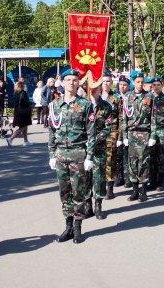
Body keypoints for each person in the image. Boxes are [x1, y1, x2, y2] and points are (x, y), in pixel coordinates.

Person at [47, 69, 96, 244]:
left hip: (78, 154)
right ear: (62, 83)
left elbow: (91, 133)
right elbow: (52, 132)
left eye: (75, 80)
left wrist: (89, 156)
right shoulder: (54, 105)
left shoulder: (85, 105)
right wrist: (52, 154)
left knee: (79, 192)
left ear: (78, 83)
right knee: (64, 192)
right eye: (68, 80)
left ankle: (77, 228)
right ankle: (67, 226)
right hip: (60, 155)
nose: (71, 83)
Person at [122, 72, 156, 202]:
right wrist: (124, 136)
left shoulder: (149, 97)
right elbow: (124, 118)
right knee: (132, 163)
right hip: (131, 134)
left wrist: (152, 135)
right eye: (138, 82)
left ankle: (143, 191)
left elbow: (153, 118)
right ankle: (134, 190)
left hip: (144, 133)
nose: (140, 84)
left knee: (144, 163)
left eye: (142, 82)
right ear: (133, 82)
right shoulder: (127, 98)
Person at [86, 86, 112, 220]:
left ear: (100, 90)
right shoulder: (83, 104)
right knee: (85, 178)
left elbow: (108, 128)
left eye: (95, 88)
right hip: (83, 148)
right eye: (91, 88)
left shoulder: (106, 106)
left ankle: (98, 206)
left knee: (99, 177)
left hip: (99, 148)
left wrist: (94, 140)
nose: (92, 90)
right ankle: (87, 206)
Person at [149, 77, 164, 191]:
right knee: (151, 158)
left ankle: (160, 182)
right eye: (154, 84)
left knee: (162, 158)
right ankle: (152, 181)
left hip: (162, 132)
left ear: (162, 86)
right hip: (150, 133)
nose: (156, 86)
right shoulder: (148, 98)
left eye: (158, 84)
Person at [101, 73, 120, 199]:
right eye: (103, 81)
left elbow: (121, 117)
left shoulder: (116, 98)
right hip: (97, 133)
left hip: (111, 133)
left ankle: (110, 188)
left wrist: (120, 136)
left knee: (110, 161)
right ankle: (99, 187)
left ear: (111, 82)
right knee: (99, 162)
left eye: (108, 81)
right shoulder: (93, 96)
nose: (106, 84)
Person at [6, 81, 32, 147]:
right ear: (22, 86)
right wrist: (30, 105)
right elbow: (25, 102)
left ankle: (26, 141)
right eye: (24, 85)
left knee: (24, 126)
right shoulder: (23, 93)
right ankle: (10, 138)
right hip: (24, 112)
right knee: (22, 127)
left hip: (17, 112)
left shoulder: (16, 93)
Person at [116, 76, 131, 188]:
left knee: (127, 156)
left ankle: (127, 178)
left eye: (125, 85)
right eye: (120, 84)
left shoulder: (130, 97)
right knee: (118, 156)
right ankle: (119, 177)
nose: (122, 86)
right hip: (116, 131)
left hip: (128, 129)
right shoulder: (115, 98)